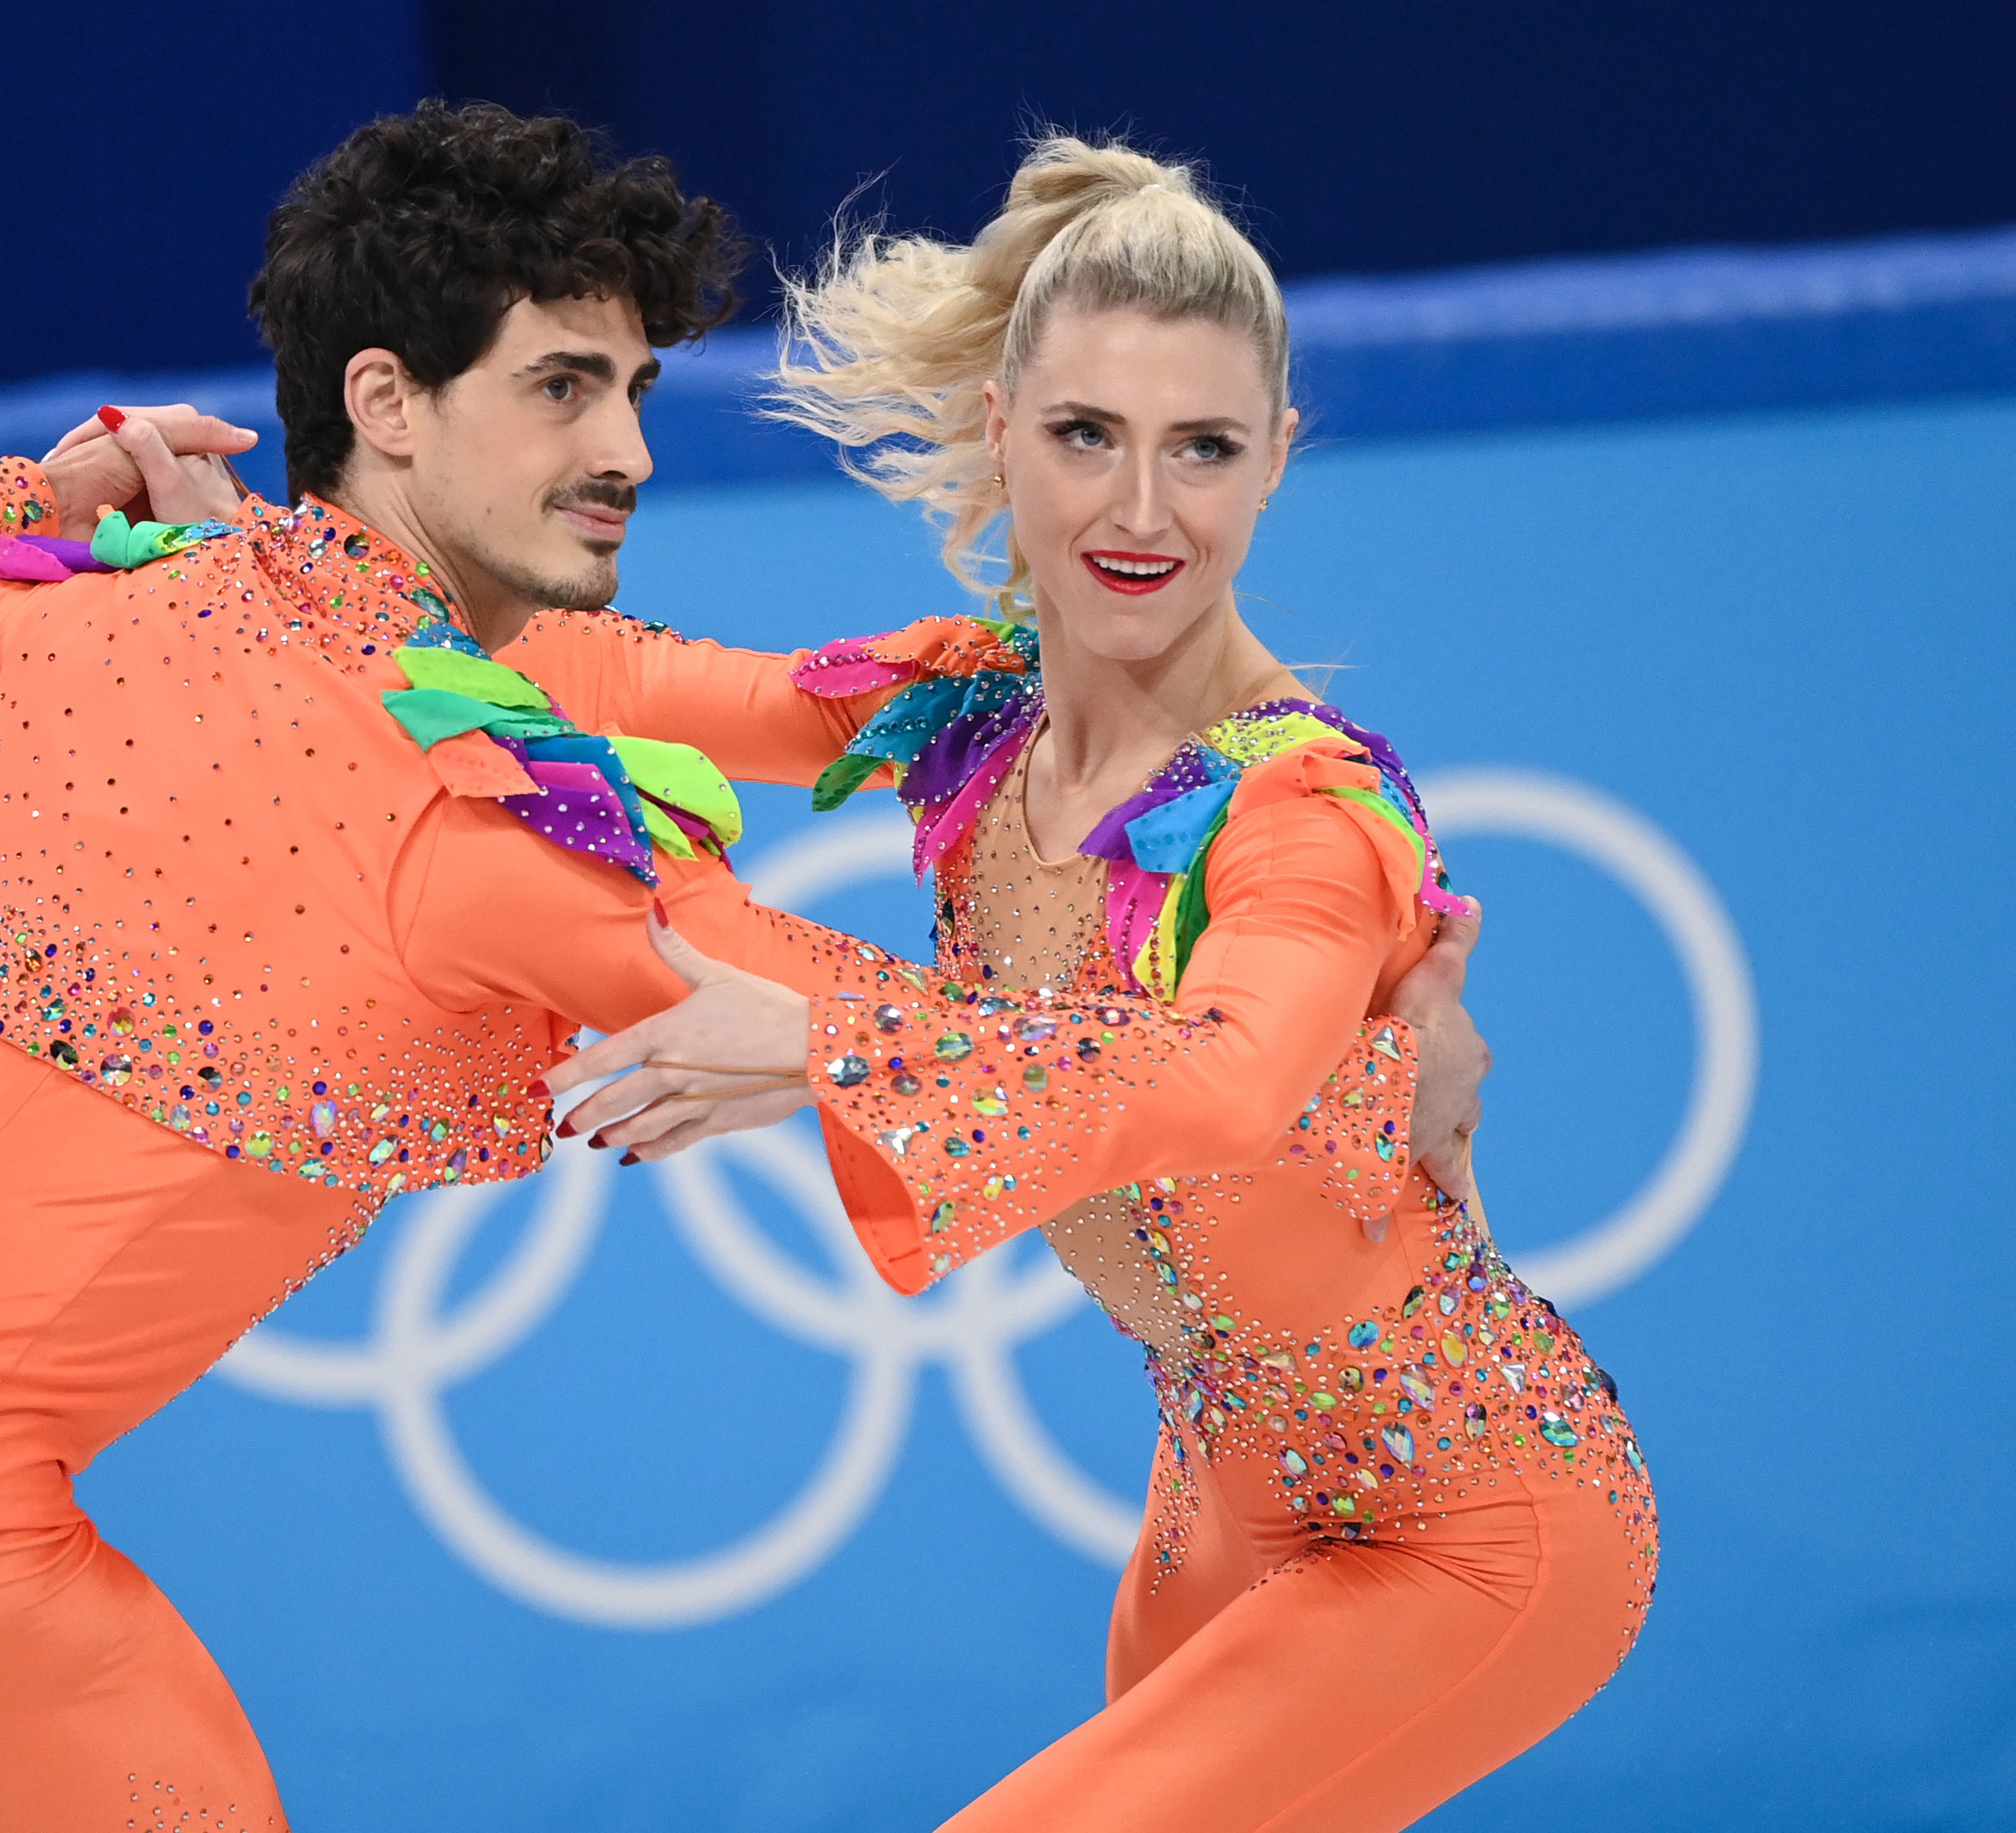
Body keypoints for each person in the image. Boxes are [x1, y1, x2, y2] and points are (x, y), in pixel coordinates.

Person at [0, 106, 1480, 1833]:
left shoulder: (134, 608)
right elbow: (887, 1026)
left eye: (634, 389)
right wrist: (1359, 985)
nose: (628, 448)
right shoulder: (503, 826)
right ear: (385, 401)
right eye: (561, 390)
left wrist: (41, 495)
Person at [545, 138, 1657, 1832]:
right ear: (1001, 430)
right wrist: (254, 568)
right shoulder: (968, 716)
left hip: (1465, 1522)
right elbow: (605, 673)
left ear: (1274, 459)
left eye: (1201, 447)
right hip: (1222, 1481)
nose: (1142, 512)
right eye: (1086, 435)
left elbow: (1227, 1079)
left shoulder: (1305, 812)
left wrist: (842, 1044)